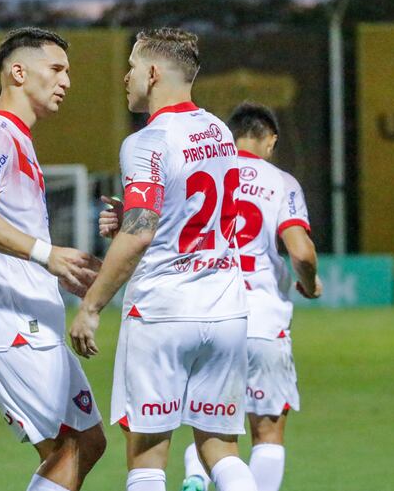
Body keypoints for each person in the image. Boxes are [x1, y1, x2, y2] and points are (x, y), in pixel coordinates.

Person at [70, 28, 258, 491]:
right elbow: (191, 210)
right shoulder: (218, 131)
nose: (126, 76)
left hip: (163, 312)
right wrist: (133, 216)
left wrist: (90, 307)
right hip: (225, 309)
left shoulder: (147, 142)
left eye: (132, 66)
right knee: (220, 449)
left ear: (153, 73)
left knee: (148, 459)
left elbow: (140, 234)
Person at [0, 27, 106, 491]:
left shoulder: (18, 138)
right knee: (68, 447)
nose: (66, 81)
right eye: (56, 69)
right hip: (9, 325)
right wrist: (47, 254)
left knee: (89, 441)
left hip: (27, 320)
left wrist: (60, 270)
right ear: (18, 72)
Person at [181, 102, 322, 491]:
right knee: (267, 431)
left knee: (211, 423)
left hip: (207, 318)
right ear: (271, 140)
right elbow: (301, 252)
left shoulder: (205, 176)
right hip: (261, 320)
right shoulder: (280, 182)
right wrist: (309, 284)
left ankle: (195, 474)